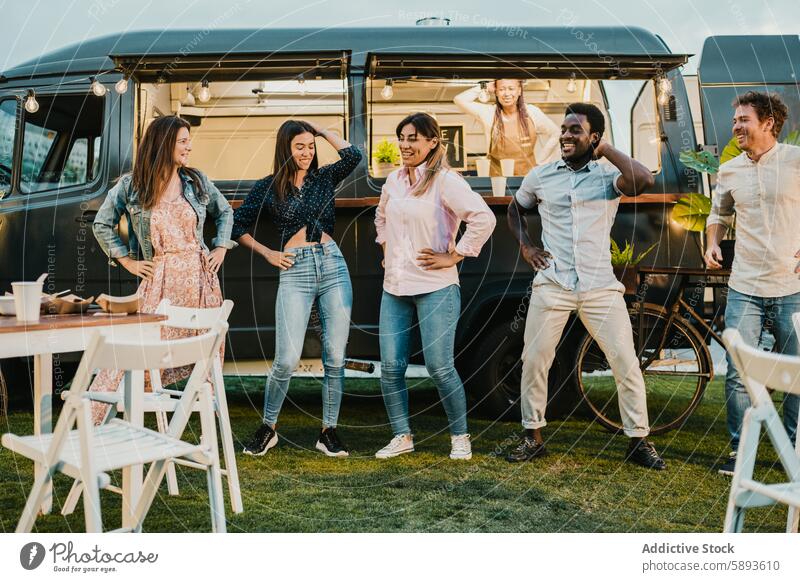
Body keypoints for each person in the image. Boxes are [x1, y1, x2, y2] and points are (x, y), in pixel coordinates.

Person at [505, 103, 665, 470]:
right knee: (534, 359)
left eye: (575, 130)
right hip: (553, 283)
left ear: (593, 137)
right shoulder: (542, 175)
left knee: (625, 361)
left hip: (599, 286)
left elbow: (645, 180)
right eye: (563, 128)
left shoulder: (608, 178)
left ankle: (638, 441)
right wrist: (527, 246)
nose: (564, 135)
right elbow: (516, 209)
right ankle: (532, 437)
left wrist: (606, 150)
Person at [91, 115, 235, 424]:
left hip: (200, 282)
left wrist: (221, 246)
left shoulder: (196, 181)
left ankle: (192, 425)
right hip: (160, 281)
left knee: (201, 356)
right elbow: (101, 223)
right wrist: (127, 261)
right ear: (164, 142)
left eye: (188, 140)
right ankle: (100, 420)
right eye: (183, 141)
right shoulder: (132, 184)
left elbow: (224, 211)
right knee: (137, 353)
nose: (189, 147)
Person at [235, 120, 362, 457]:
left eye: (310, 146)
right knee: (286, 359)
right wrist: (268, 253)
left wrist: (319, 130)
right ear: (285, 150)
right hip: (295, 268)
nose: (307, 153)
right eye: (299, 147)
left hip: (333, 266)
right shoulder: (268, 187)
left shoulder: (324, 177)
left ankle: (328, 432)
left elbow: (354, 156)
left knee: (335, 358)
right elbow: (238, 226)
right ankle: (268, 427)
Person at [374, 112, 496, 460]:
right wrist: (387, 250)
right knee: (391, 368)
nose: (405, 144)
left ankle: (460, 436)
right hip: (395, 287)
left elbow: (483, 218)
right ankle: (402, 435)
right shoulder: (394, 181)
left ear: (431, 142)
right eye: (402, 137)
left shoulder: (446, 180)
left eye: (413, 138)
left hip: (436, 286)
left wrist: (454, 255)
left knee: (439, 366)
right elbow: (381, 217)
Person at [704, 91, 800, 476]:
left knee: (798, 372)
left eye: (744, 119)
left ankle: (793, 449)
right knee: (740, 372)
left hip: (792, 286)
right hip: (744, 285)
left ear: (768, 123)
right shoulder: (729, 170)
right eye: (735, 121)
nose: (736, 126)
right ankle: (739, 451)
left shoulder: (795, 161)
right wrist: (712, 241)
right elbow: (719, 213)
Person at [454, 79, 560, 176]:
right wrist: (485, 86)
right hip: (497, 181)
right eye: (501, 89)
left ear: (519, 91)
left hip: (528, 180)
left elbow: (556, 133)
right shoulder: (489, 113)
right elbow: (459, 100)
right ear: (495, 92)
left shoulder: (532, 112)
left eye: (511, 89)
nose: (507, 93)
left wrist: (542, 162)